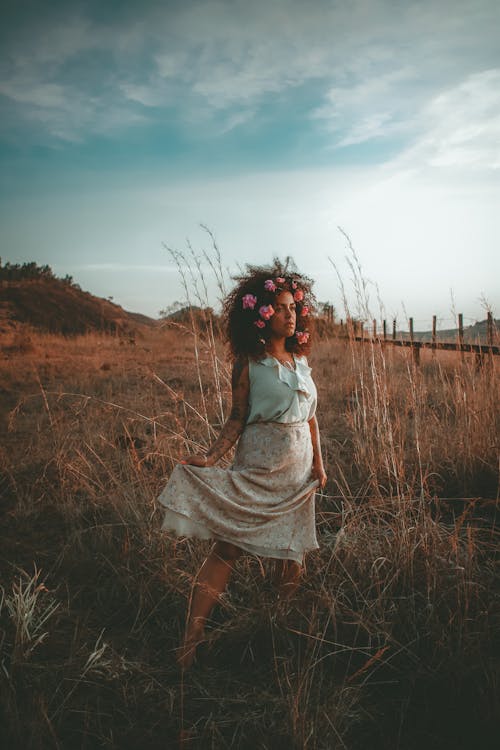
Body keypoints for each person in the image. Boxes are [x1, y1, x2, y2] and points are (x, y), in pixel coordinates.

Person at [157, 262, 327, 669]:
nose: (291, 314)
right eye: (282, 308)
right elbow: (236, 418)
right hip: (258, 468)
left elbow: (311, 417)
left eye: (293, 308)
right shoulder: (248, 365)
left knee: (291, 555)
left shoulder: (300, 363)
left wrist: (320, 465)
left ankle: (278, 636)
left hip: (298, 475)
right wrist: (210, 457)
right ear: (263, 315)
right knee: (228, 548)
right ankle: (190, 641)